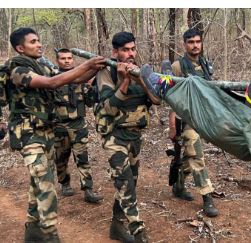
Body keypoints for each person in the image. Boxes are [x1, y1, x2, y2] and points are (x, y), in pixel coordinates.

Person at [7, 27, 105, 242]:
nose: (39, 44)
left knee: (38, 182)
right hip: (28, 135)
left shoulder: (41, 65)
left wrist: (97, 67)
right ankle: (51, 235)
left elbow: (72, 79)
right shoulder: (18, 68)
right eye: (33, 42)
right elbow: (53, 83)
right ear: (20, 48)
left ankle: (32, 231)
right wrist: (87, 64)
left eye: (39, 40)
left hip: (45, 132)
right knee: (46, 184)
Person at [95, 31, 160, 243]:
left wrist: (140, 79)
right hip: (114, 137)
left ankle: (116, 225)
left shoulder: (142, 71)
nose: (131, 54)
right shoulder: (106, 72)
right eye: (125, 50)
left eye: (133, 49)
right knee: (126, 185)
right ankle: (139, 233)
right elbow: (108, 108)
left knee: (129, 182)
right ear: (115, 52)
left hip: (134, 136)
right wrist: (123, 80)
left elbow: (157, 100)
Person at [168, 28, 219, 217]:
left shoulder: (206, 64)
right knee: (197, 155)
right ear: (185, 44)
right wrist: (172, 124)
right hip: (185, 118)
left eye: (198, 41)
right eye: (191, 42)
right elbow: (171, 97)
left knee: (190, 156)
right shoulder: (177, 67)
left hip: (203, 118)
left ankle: (179, 186)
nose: (195, 45)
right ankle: (207, 198)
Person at [53, 48, 103, 203]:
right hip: (58, 126)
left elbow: (89, 102)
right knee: (61, 158)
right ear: (57, 60)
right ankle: (65, 183)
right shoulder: (52, 78)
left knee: (82, 157)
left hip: (78, 124)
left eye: (69, 58)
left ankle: (88, 189)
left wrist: (90, 87)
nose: (67, 61)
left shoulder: (80, 78)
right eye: (63, 58)